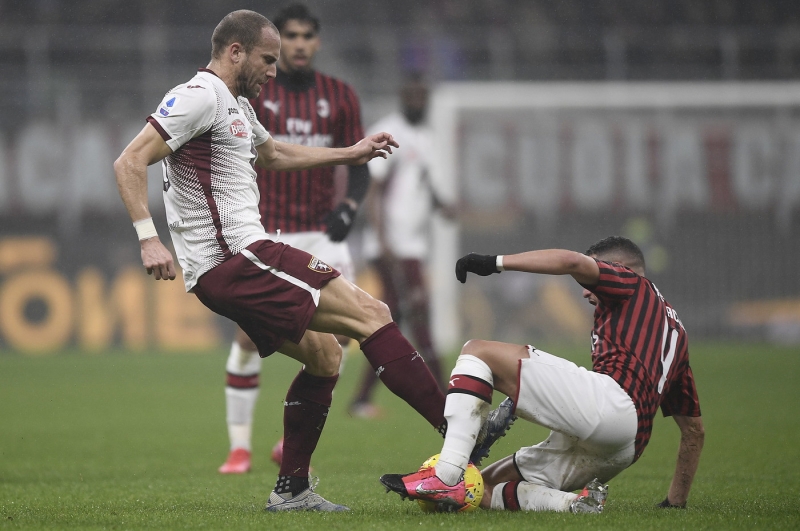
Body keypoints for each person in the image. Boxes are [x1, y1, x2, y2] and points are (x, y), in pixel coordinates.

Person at [113, 9, 446, 512]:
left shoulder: (237, 105)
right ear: (235, 52)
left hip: (231, 263)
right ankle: (458, 431)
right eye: (267, 59)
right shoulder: (199, 95)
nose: (275, 70)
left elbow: (273, 156)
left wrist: (350, 153)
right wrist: (148, 239)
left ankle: (291, 490)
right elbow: (129, 160)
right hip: (237, 255)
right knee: (372, 313)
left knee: (326, 355)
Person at [381, 236, 704, 514]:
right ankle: (573, 505)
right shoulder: (676, 333)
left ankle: (446, 474)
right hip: (625, 448)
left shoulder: (632, 283)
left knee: (477, 351)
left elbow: (571, 262)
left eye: (593, 274)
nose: (584, 291)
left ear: (620, 268)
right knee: (479, 487)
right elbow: (693, 431)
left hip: (611, 404)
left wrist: (495, 262)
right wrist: (675, 503)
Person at [219, 3, 372, 475]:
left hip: (322, 232)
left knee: (344, 331)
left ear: (317, 41)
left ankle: (293, 439)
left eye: (308, 36)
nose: (300, 44)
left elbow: (359, 164)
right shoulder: (255, 91)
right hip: (267, 230)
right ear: (276, 42)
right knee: (248, 336)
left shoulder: (340, 95)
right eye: (291, 36)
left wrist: (349, 207)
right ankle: (239, 448)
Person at [349, 73, 450, 418]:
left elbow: (424, 184)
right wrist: (383, 241)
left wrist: (443, 205)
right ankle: (446, 397)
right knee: (418, 314)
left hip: (412, 245)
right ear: (402, 97)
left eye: (423, 96)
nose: (418, 102)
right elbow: (374, 189)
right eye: (412, 96)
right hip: (392, 247)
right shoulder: (388, 132)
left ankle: (362, 398)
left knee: (391, 322)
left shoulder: (427, 137)